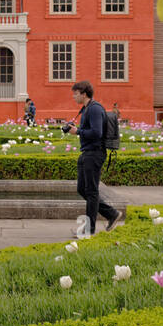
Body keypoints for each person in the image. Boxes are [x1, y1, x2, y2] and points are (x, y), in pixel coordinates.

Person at [62, 81, 121, 235]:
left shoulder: (94, 109)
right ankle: (111, 213)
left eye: (75, 93)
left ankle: (89, 230)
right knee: (82, 189)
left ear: (84, 93)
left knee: (92, 192)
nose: (73, 96)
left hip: (94, 153)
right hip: (87, 153)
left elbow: (97, 133)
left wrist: (78, 132)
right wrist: (75, 129)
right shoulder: (87, 108)